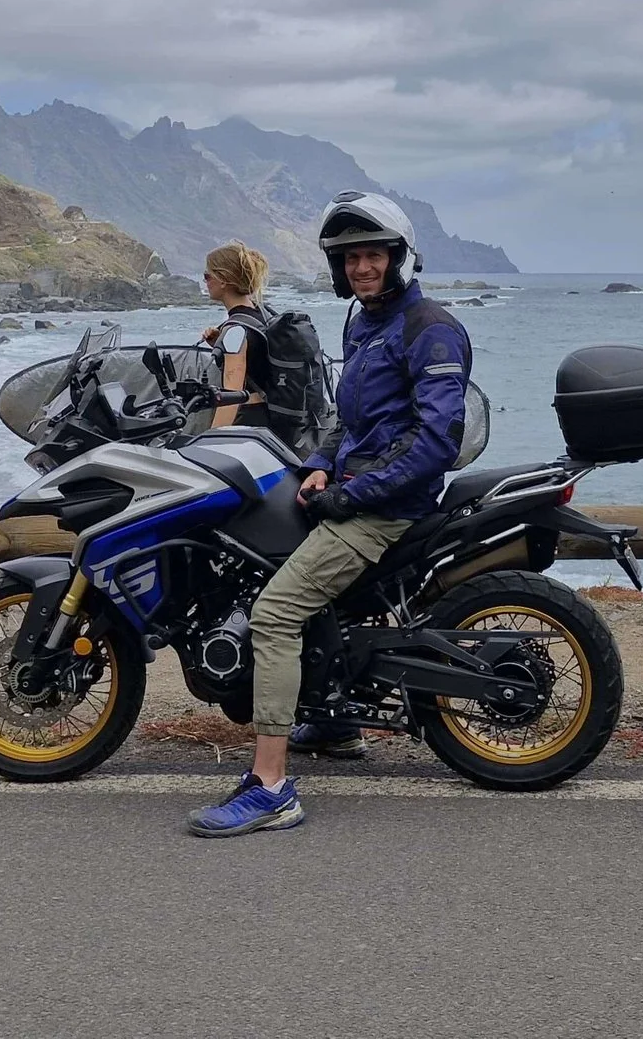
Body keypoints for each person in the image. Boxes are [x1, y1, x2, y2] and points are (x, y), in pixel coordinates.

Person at [186, 193, 473, 837]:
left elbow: (436, 441)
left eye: (372, 255)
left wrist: (355, 493)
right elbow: (349, 417)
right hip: (354, 489)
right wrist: (319, 462)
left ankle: (271, 787)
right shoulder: (361, 322)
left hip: (388, 508)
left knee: (277, 611)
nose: (361, 268)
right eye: (350, 259)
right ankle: (337, 717)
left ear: (399, 257)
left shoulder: (430, 328)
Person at [198, 240, 279, 437]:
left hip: (249, 420)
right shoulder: (262, 314)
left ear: (223, 280)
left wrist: (209, 441)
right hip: (271, 418)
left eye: (207, 276)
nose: (205, 283)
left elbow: (231, 397)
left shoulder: (235, 330)